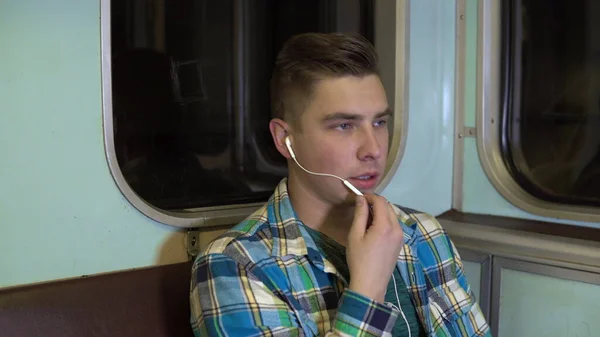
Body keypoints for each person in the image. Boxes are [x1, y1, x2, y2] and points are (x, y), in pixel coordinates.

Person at [189, 32, 491, 337]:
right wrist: (368, 291)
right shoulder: (238, 264)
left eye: (379, 123)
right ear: (285, 139)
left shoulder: (422, 232)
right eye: (344, 126)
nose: (372, 149)